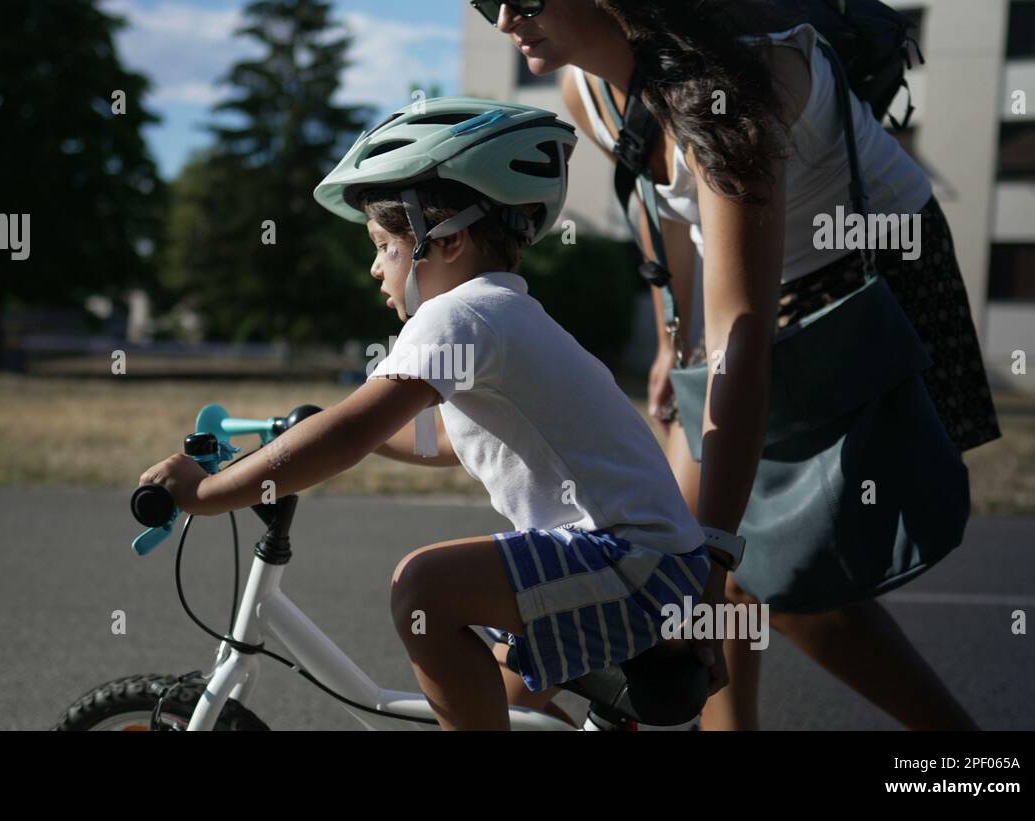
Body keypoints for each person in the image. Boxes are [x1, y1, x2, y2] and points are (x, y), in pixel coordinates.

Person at [137, 97, 745, 730]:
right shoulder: (503, 316)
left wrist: (207, 492)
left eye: (383, 245)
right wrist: (314, 433)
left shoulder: (460, 314)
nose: (375, 267)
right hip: (653, 568)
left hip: (630, 565)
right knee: (504, 700)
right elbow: (449, 440)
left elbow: (348, 433)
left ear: (447, 239)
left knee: (424, 587)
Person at [479, 0, 1000, 729]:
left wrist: (714, 558)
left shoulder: (740, 84)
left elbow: (743, 334)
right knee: (674, 539)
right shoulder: (586, 90)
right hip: (755, 284)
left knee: (781, 581)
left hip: (867, 276)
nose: (504, 18)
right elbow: (667, 215)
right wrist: (671, 341)